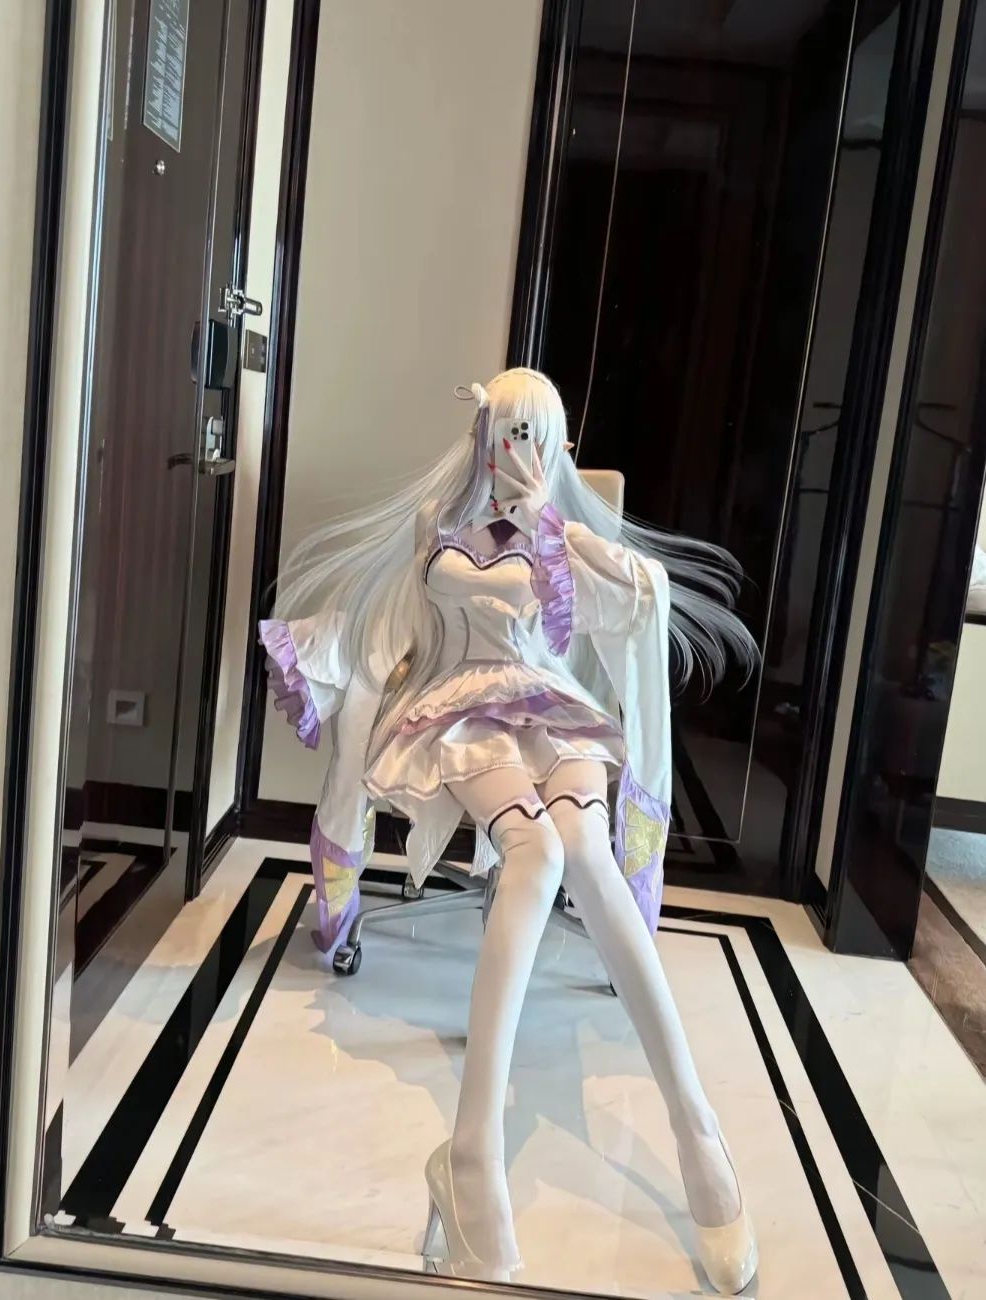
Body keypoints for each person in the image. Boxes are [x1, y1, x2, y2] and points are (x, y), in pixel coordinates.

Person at [261, 368, 758, 1294]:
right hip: (462, 709)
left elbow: (617, 606)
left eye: (537, 435)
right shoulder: (437, 524)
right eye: (507, 432)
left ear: (559, 443)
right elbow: (424, 616)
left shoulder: (562, 536)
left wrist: (552, 527)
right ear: (484, 436)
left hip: (553, 708)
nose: (519, 451)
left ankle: (696, 1128)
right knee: (533, 858)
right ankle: (474, 1147)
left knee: (588, 859)